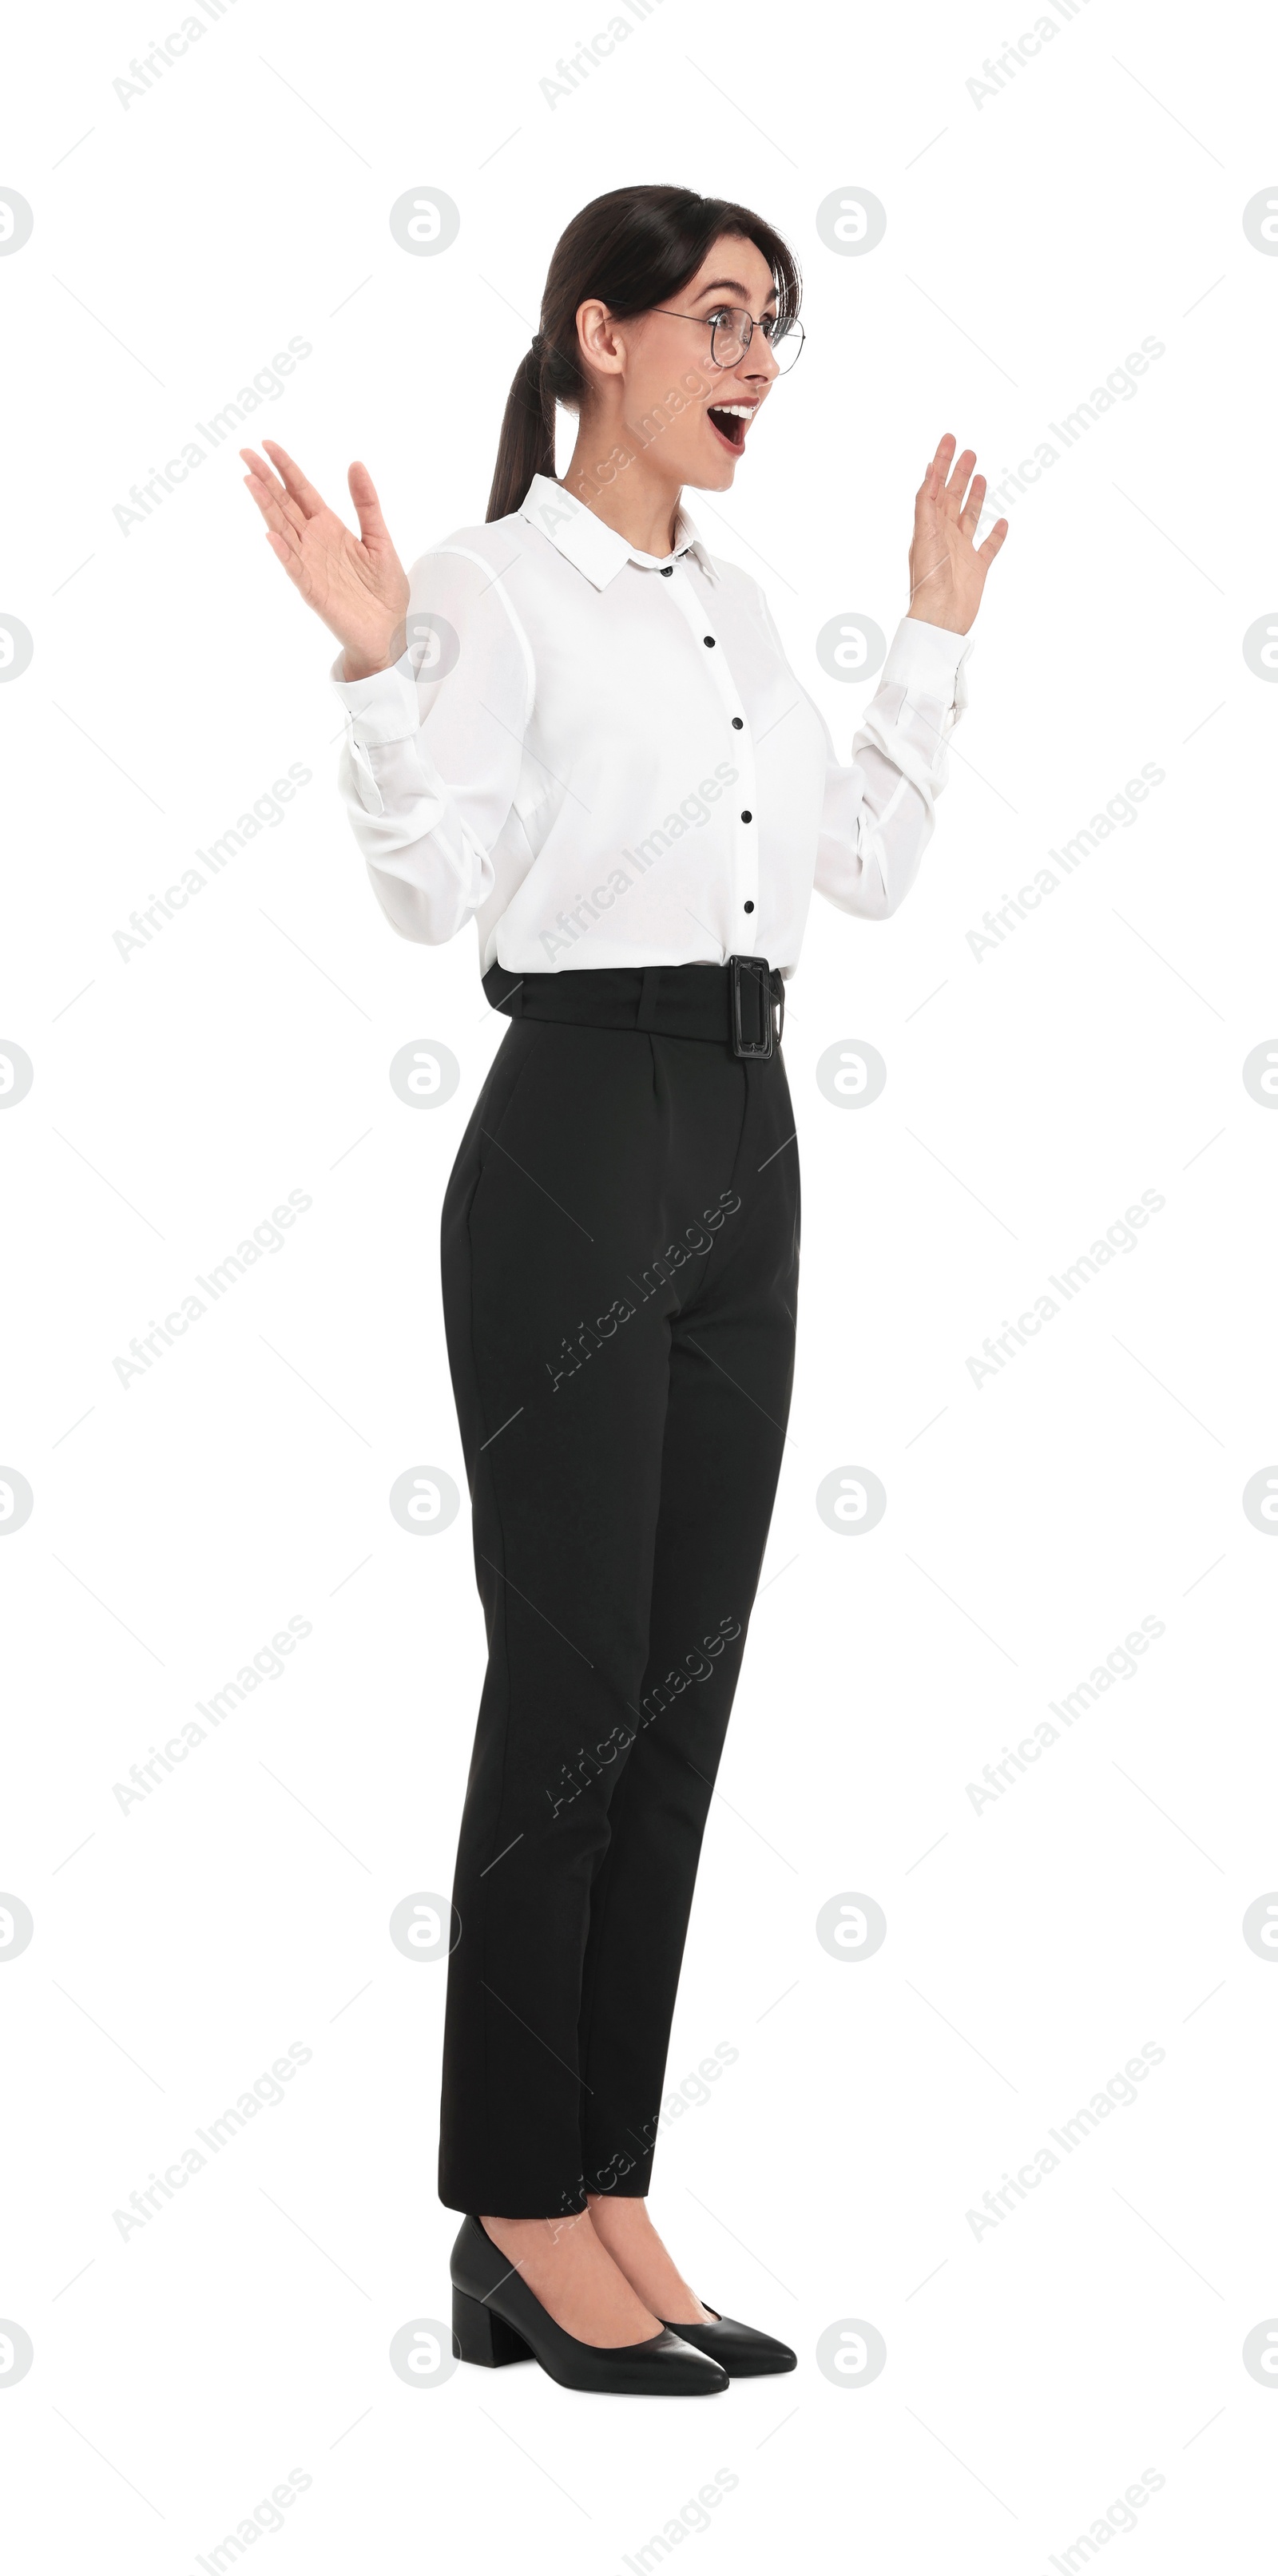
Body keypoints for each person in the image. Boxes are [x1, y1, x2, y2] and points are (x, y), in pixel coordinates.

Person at [240, 182, 1006, 2397]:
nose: (759, 360)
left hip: (752, 1136)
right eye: (722, 320)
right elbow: (427, 897)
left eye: (780, 324)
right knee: (568, 1682)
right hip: (577, 1133)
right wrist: (381, 667)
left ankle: (601, 2175)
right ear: (600, 335)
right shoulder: (489, 587)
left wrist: (930, 639)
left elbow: (852, 870)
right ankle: (505, 2199)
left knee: (680, 1689)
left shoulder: (743, 608)